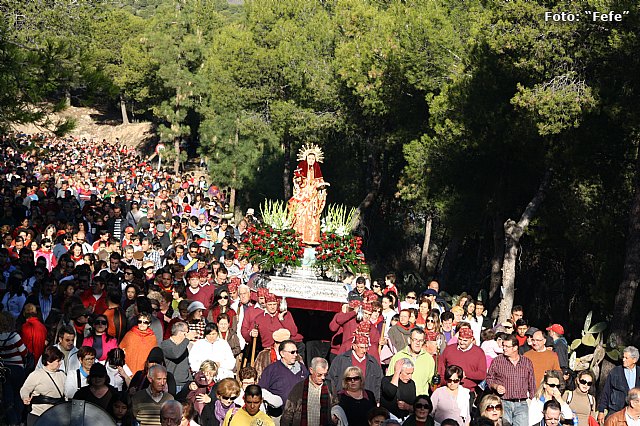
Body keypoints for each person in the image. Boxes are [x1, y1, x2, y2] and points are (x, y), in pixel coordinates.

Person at [486, 334, 536, 426]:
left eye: (507, 346)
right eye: (503, 346)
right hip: (503, 402)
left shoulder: (527, 362)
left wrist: (533, 401)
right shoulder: (497, 361)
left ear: (515, 348)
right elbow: (489, 379)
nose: (504, 348)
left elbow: (531, 383)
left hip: (521, 403)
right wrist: (496, 386)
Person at [287, 144, 329, 245]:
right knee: (300, 215)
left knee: (312, 216)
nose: (311, 160)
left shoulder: (317, 171)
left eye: (313, 158)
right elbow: (297, 182)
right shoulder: (301, 170)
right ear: (306, 158)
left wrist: (322, 187)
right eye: (309, 158)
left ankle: (311, 238)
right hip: (303, 197)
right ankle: (299, 236)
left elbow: (320, 183)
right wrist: (298, 180)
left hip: (313, 198)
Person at [328, 332, 383, 401]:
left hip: (366, 400)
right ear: (354, 346)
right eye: (361, 347)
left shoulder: (372, 362)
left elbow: (379, 382)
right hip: (344, 399)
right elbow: (331, 379)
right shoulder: (341, 360)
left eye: (366, 347)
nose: (364, 350)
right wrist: (334, 398)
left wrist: (377, 399)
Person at [20, 346, 67, 426]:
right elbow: (25, 389)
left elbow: (67, 393)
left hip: (57, 416)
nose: (60, 363)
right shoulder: (36, 374)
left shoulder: (62, 375)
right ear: (49, 361)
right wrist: (25, 397)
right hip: (38, 415)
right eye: (58, 361)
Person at [282, 357, 335, 426]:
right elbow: (288, 413)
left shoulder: (329, 386)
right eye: (319, 375)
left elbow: (335, 405)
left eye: (325, 374)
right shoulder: (299, 387)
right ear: (311, 370)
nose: (323, 377)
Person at [259, 339, 309, 408]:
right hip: (279, 414)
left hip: (298, 412)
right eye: (292, 352)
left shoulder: (302, 368)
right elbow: (262, 390)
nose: (295, 355)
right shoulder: (272, 369)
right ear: (282, 353)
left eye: (296, 352)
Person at [387, 327, 436, 396]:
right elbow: (389, 379)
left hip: (420, 402)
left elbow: (432, 384)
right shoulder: (398, 357)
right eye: (415, 340)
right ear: (409, 340)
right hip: (402, 400)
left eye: (421, 340)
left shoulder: (428, 359)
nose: (418, 343)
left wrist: (435, 381)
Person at [439, 325, 487, 394]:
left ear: (471, 339)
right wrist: (443, 382)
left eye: (465, 340)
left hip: (468, 391)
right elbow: (441, 367)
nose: (461, 342)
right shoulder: (449, 349)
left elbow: (482, 374)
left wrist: (465, 374)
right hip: (448, 389)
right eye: (460, 339)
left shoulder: (479, 352)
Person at [598, 346, 640, 423]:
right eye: (623, 357)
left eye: (626, 358)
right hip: (616, 411)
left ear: (634, 360)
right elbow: (606, 392)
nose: (623, 360)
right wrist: (601, 411)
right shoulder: (615, 372)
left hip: (636, 414)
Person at [160, 321, 196, 392]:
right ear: (180, 333)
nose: (188, 334)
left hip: (186, 384)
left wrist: (191, 380)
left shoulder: (183, 346)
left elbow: (186, 364)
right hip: (173, 384)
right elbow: (175, 354)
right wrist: (187, 339)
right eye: (187, 332)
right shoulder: (165, 344)